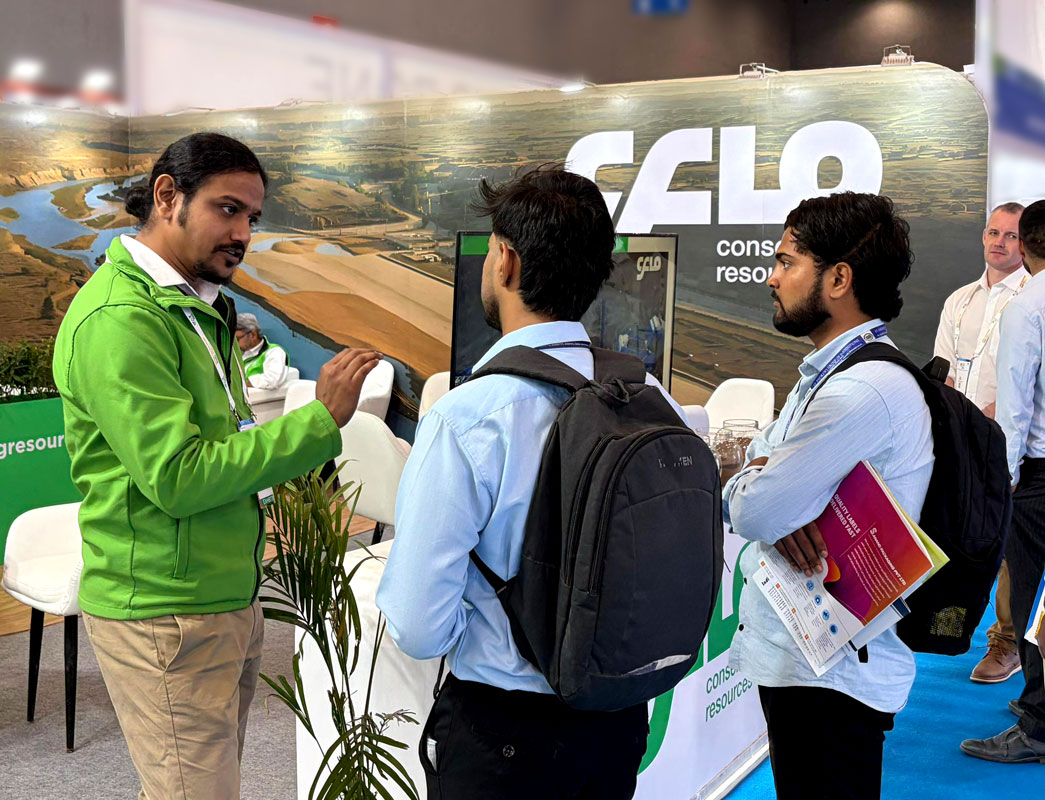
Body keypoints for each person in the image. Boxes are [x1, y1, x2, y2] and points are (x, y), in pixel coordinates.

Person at [52, 132, 380, 800]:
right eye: (227, 209)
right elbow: (180, 477)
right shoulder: (122, 319)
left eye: (252, 217)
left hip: (220, 593)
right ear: (167, 195)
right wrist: (318, 421)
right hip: (165, 611)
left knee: (190, 785)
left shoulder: (198, 307)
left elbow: (221, 442)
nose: (243, 234)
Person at [375, 165, 686, 799]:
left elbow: (417, 623)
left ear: (506, 261)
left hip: (504, 735)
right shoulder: (648, 396)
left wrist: (488, 633)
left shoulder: (468, 417)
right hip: (617, 721)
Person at [724, 192, 932, 800]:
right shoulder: (831, 374)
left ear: (839, 279)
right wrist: (760, 484)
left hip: (832, 677)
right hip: (810, 663)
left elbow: (754, 508)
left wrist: (765, 492)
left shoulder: (859, 391)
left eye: (787, 262)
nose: (772, 278)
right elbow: (750, 473)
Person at [961, 198, 1045, 764]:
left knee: (1030, 599)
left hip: (1036, 476)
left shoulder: (1028, 306)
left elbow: (1014, 408)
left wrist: (1005, 478)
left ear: (1028, 244)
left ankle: (1038, 724)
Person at [933, 201, 1026, 684]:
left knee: (1011, 547)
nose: (999, 242)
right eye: (993, 232)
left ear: (1027, 243)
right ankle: (945, 623)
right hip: (960, 441)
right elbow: (944, 372)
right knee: (956, 538)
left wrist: (991, 422)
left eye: (1011, 235)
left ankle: (1007, 640)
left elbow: (1027, 381)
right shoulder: (959, 301)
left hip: (1012, 442)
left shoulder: (1033, 299)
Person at [235, 312, 290, 390]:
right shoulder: (237, 352)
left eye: (237, 339)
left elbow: (272, 380)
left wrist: (242, 384)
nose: (234, 344)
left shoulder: (274, 352)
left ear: (253, 335)